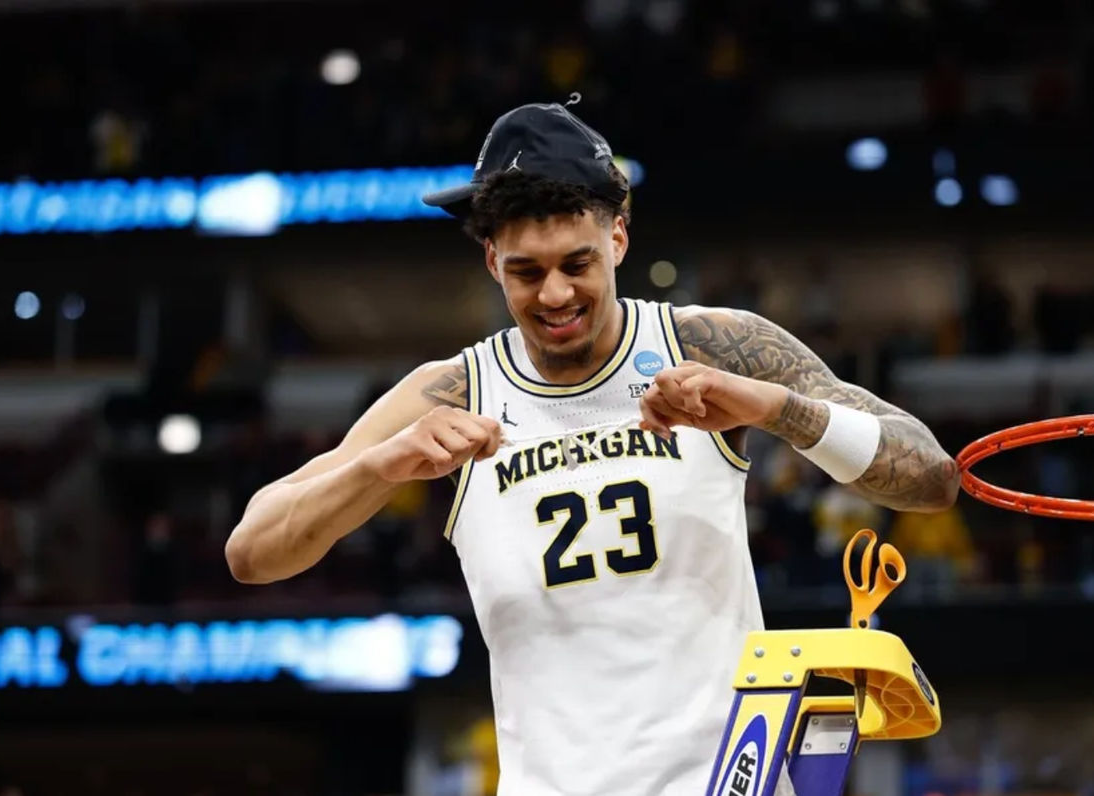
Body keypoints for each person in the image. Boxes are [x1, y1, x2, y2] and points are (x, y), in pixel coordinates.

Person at [224, 101, 961, 795]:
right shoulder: (451, 391)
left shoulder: (708, 344)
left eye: (576, 265)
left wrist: (775, 408)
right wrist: (379, 465)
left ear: (618, 238)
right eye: (526, 271)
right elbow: (252, 553)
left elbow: (933, 477)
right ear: (491, 260)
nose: (554, 295)